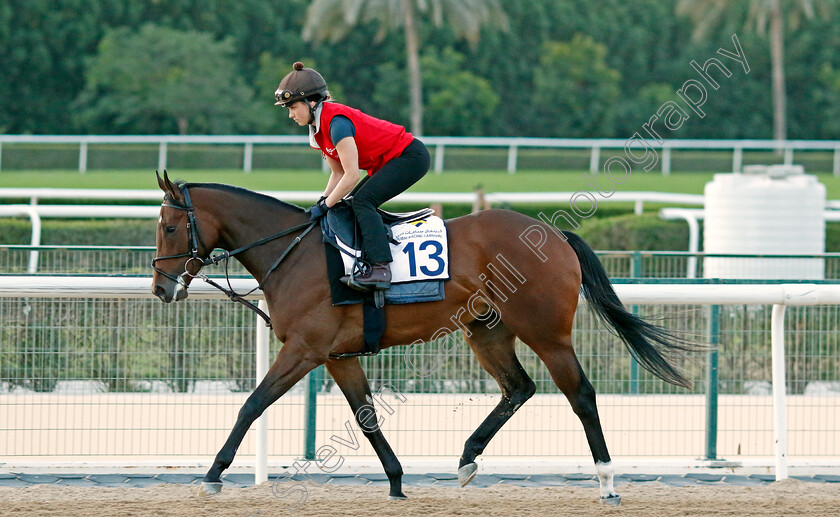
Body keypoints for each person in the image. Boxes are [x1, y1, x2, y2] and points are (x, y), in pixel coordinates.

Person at [275, 61, 430, 290]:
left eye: (292, 107)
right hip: (393, 161)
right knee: (347, 205)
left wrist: (325, 205)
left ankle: (381, 268)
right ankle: (366, 258)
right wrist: (322, 201)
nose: (290, 115)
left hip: (410, 157)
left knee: (362, 201)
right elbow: (337, 173)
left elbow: (351, 175)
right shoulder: (318, 130)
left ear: (312, 101)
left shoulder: (336, 123)